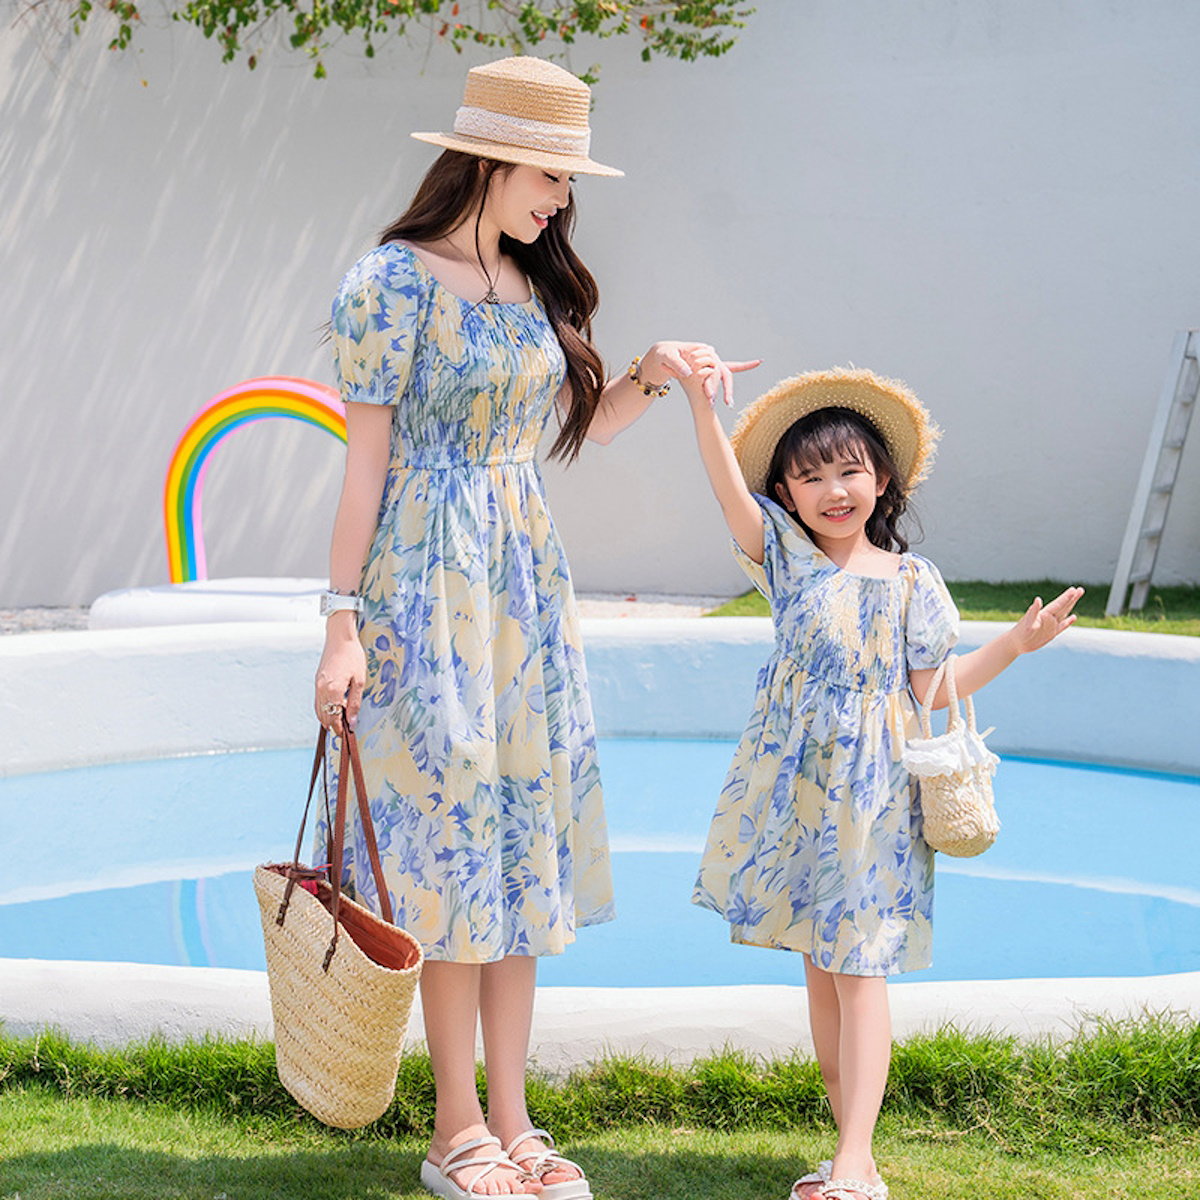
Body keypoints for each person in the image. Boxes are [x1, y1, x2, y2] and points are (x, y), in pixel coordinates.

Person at [312, 56, 755, 1200]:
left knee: (516, 852)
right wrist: (339, 626)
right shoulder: (388, 284)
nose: (561, 197)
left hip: (522, 586)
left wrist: (653, 377)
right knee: (450, 854)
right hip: (423, 585)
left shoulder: (533, 286)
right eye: (551, 172)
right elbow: (362, 473)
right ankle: (453, 1126)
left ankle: (514, 1120)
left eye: (568, 178)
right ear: (488, 159)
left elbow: (578, 430)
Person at [678, 363, 1083, 1200]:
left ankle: (858, 1164)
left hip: (875, 798)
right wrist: (693, 398)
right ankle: (844, 1152)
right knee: (822, 973)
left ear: (883, 479)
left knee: (859, 972)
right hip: (799, 797)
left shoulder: (911, 582)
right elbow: (726, 492)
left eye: (849, 470)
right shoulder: (786, 560)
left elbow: (931, 690)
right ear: (786, 494)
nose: (833, 490)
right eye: (811, 475)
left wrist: (1017, 643)